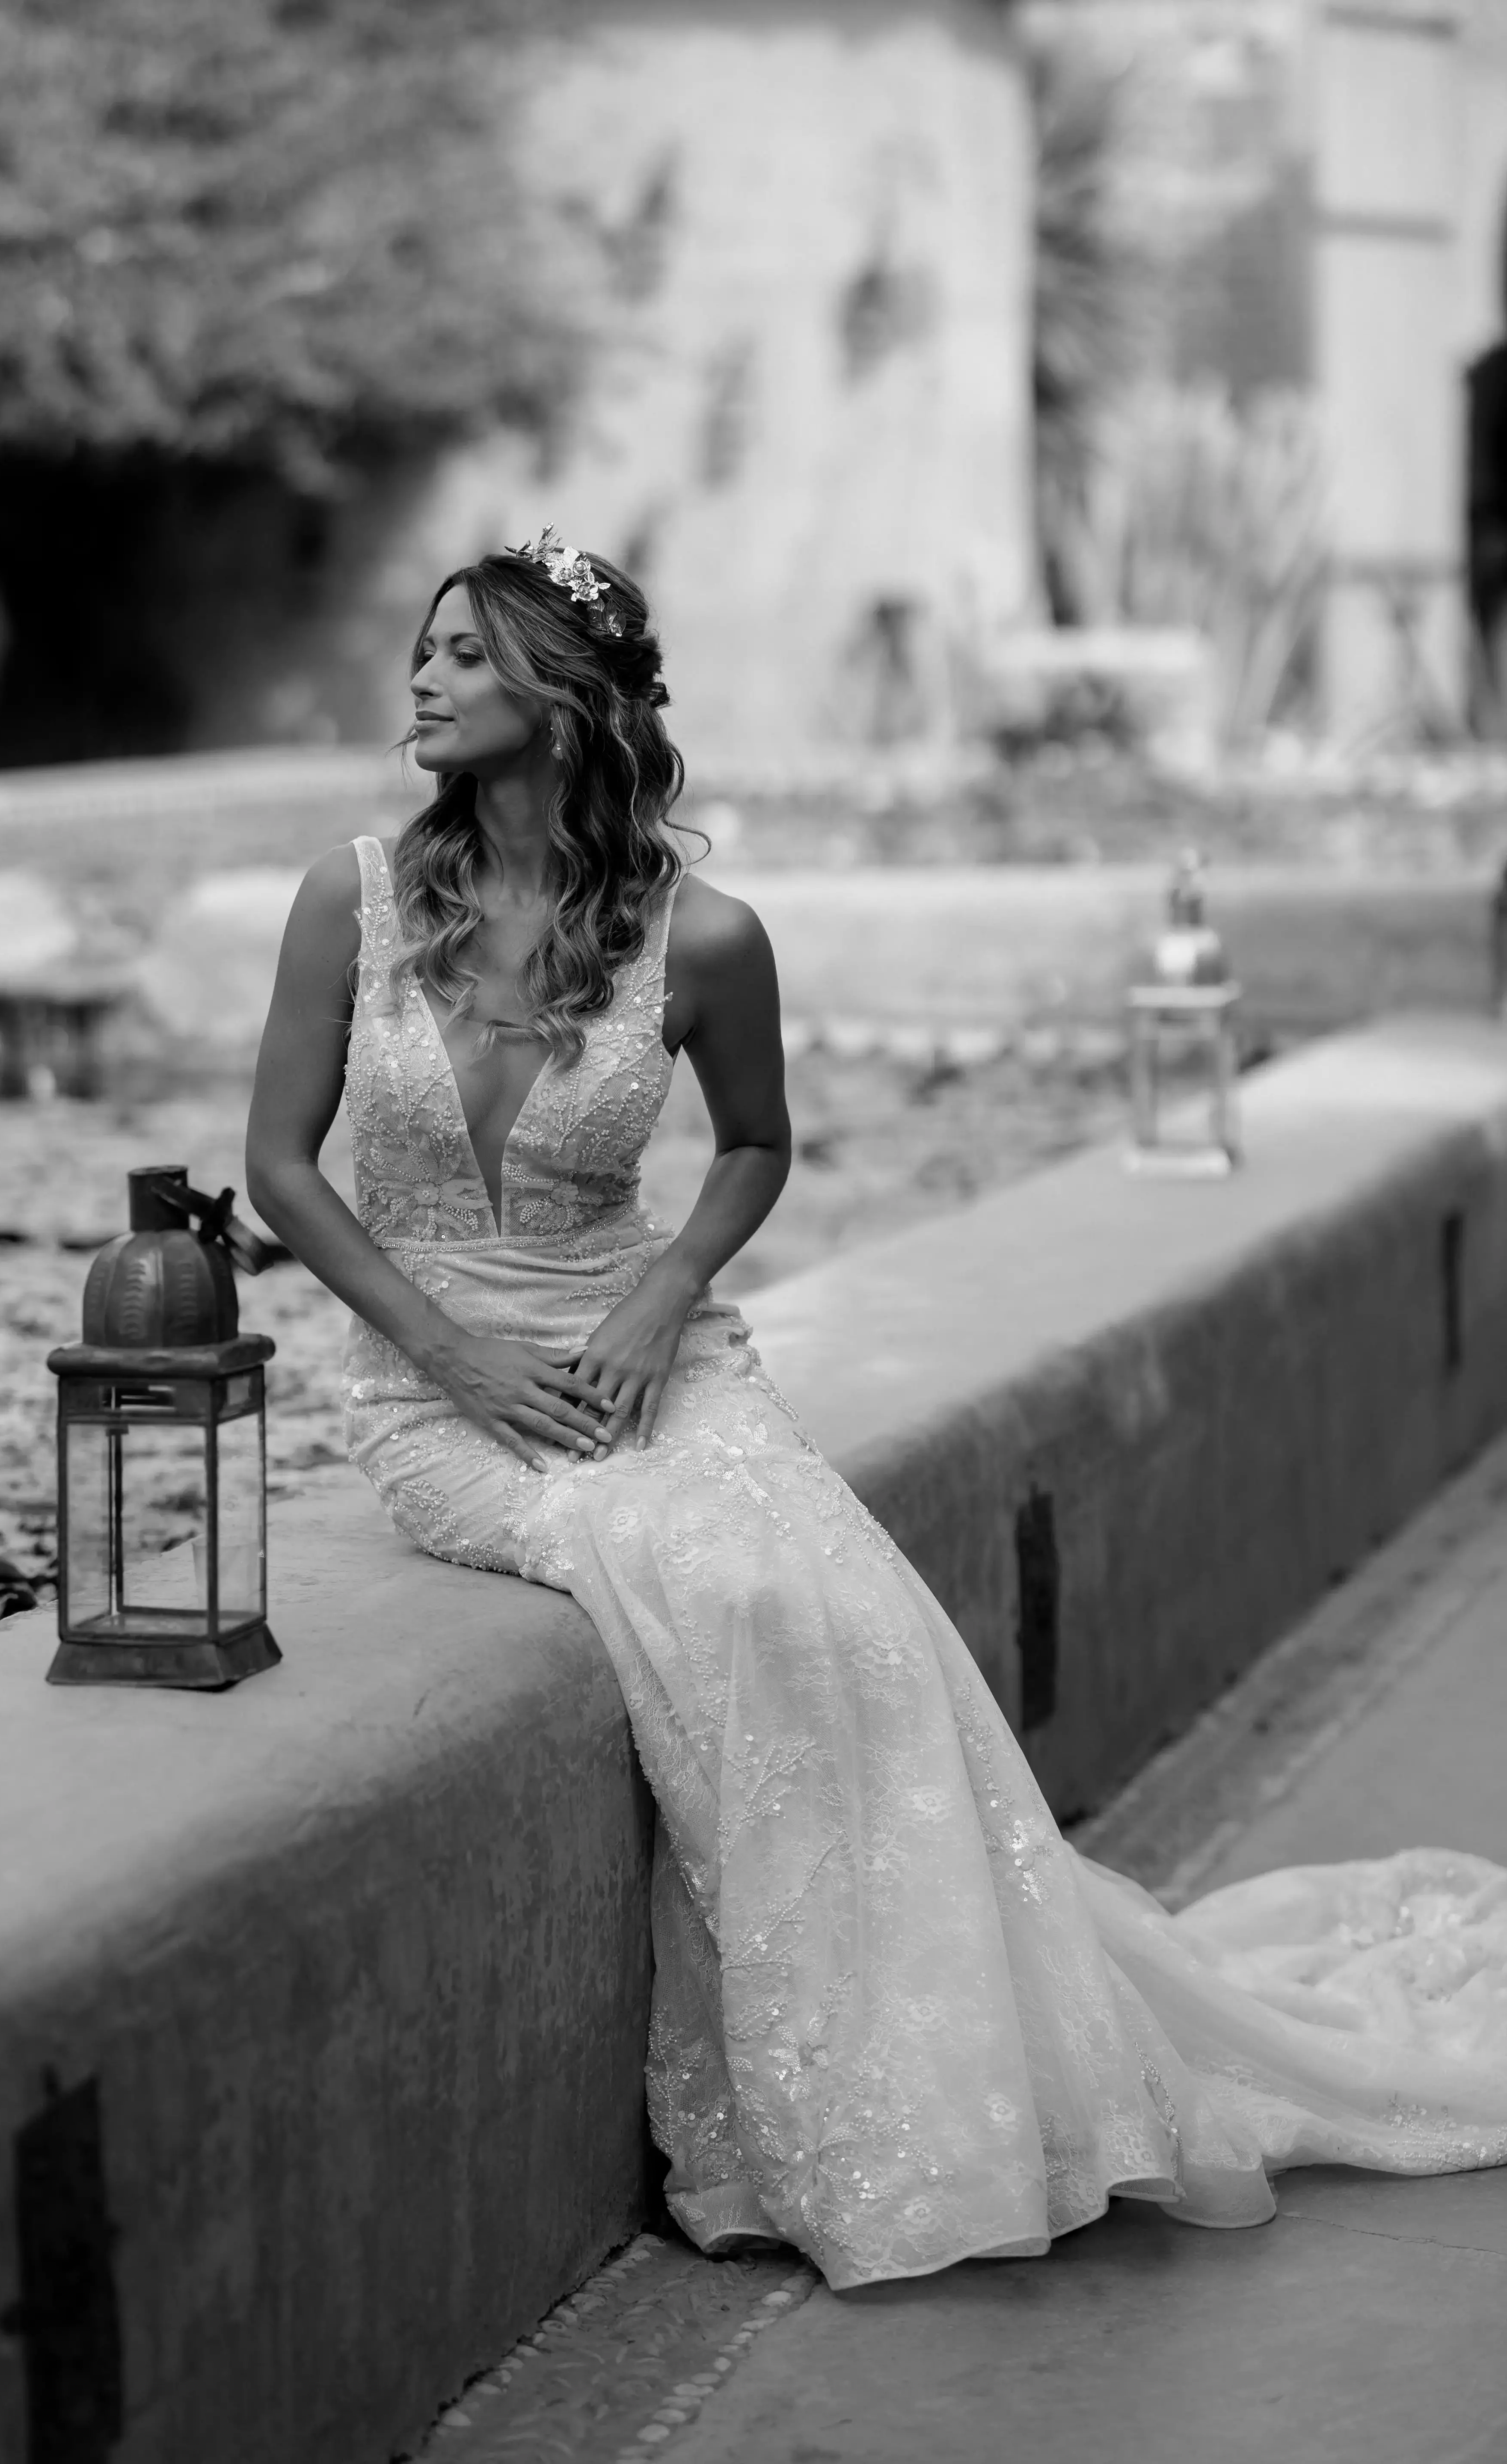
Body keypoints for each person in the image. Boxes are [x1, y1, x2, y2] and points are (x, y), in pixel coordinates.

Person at [246, 530, 1507, 2292]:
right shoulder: (355, 898)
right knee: (708, 1585)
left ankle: (953, 2066)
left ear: (561, 694)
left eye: (467, 654)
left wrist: (666, 1289)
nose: (426, 679)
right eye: (427, 649)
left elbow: (756, 1145)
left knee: (846, 1614)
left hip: (650, 1350)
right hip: (435, 1387)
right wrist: (450, 1356)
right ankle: (798, 2104)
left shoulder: (705, 935)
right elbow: (278, 1176)